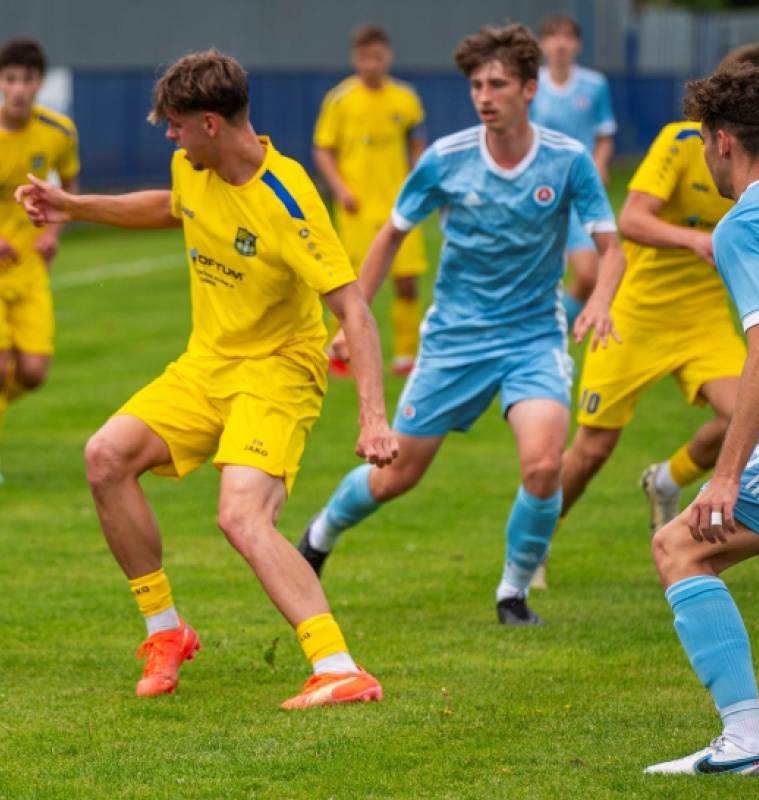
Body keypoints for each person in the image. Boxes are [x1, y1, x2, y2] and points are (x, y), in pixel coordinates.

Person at [16, 49, 398, 708]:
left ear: (213, 124)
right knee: (105, 456)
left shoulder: (288, 198)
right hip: (206, 364)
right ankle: (166, 632)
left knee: (241, 516)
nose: (168, 134)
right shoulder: (193, 166)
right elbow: (172, 206)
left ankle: (338, 666)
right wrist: (72, 206)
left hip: (278, 370)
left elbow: (354, 311)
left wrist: (373, 417)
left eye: (176, 123)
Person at [297, 23, 625, 626]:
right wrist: (353, 317)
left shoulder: (568, 159)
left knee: (544, 464)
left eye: (497, 83)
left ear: (529, 89)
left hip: (533, 337)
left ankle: (512, 591)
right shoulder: (445, 160)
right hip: (453, 340)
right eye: (476, 84)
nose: (484, 94)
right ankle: (317, 537)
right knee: (395, 475)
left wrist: (601, 299)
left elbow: (612, 247)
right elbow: (390, 235)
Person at [553, 46, 759, 569]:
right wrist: (696, 242)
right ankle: (534, 549)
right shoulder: (681, 140)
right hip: (637, 314)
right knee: (592, 450)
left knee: (741, 418)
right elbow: (632, 219)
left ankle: (667, 479)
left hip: (706, 316)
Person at [644, 62, 759, 775]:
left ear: (722, 142)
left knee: (682, 544)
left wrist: (725, 476)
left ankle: (745, 741)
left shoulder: (747, 223)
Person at [313, 24, 429, 378]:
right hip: (358, 209)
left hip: (398, 206)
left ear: (387, 57)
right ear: (355, 59)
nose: (371, 63)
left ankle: (405, 357)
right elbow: (322, 150)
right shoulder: (340, 99)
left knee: (407, 281)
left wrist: (416, 179)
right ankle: (339, 352)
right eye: (365, 57)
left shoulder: (405, 99)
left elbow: (418, 143)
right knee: (350, 285)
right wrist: (341, 189)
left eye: (377, 56)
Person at [0, 37, 79, 483]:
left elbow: (68, 184)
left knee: (32, 372)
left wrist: (53, 232)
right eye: (10, 79)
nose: (18, 89)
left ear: (39, 83)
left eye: (27, 80)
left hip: (29, 268)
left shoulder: (59, 132)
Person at [528, 13, 617, 328]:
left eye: (567, 36)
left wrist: (600, 163)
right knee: (531, 276)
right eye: (554, 36)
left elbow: (605, 136)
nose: (561, 43)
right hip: (537, 192)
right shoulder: (530, 85)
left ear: (578, 44)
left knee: (588, 275)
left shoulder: (594, 85)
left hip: (579, 191)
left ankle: (556, 327)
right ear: (543, 44)